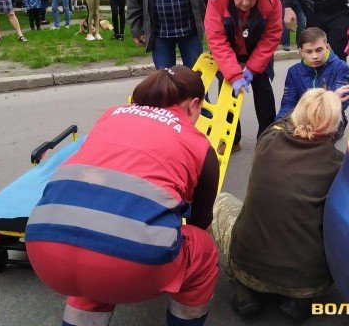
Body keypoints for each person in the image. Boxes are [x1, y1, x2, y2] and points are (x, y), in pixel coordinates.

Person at [25, 66, 220, 326]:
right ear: (194, 105)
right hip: (128, 268)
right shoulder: (198, 145)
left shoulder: (110, 115)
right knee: (202, 249)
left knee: (95, 235)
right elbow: (199, 222)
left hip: (44, 249)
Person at [211, 88, 345, 321]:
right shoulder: (338, 165)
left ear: (297, 114)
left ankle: (243, 289)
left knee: (220, 201)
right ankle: (299, 302)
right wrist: (327, 108)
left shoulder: (268, 141)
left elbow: (282, 122)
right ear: (335, 125)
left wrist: (315, 105)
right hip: (307, 282)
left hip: (249, 267)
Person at [204, 0, 282, 151]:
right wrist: (233, 73)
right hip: (229, 49)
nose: (246, 2)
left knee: (263, 90)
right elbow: (216, 38)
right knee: (227, 91)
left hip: (258, 49)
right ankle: (231, 139)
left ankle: (267, 140)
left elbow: (272, 35)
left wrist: (253, 68)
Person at [276, 27, 349, 138]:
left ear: (327, 47)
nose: (315, 56)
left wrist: (332, 100)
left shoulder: (340, 67)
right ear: (301, 52)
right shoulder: (294, 71)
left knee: (314, 139)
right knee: (284, 136)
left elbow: (342, 104)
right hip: (302, 119)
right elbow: (288, 102)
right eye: (309, 51)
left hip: (330, 118)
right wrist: (279, 123)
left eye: (319, 50)